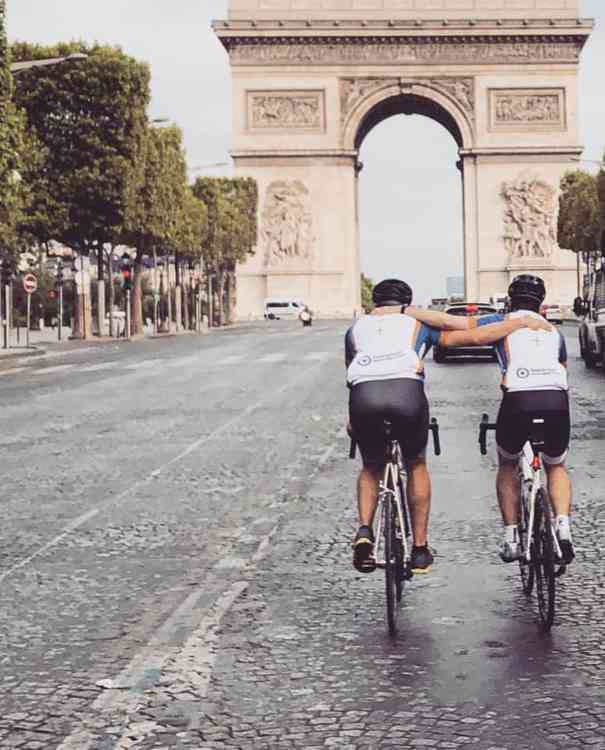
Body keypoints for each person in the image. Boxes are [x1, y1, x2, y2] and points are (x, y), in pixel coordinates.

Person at [346, 278, 551, 575]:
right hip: (406, 396)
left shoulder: (355, 329)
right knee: (416, 463)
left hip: (364, 398)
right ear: (407, 303)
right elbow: (468, 335)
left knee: (371, 466)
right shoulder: (418, 324)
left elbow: (351, 375)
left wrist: (353, 419)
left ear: (375, 302)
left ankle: (365, 531)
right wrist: (515, 324)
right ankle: (419, 548)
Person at [472, 275, 574, 564]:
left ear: (509, 299)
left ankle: (511, 537)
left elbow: (460, 333)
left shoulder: (501, 326)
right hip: (556, 401)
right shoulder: (554, 331)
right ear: (540, 302)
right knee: (556, 465)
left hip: (517, 401)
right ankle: (563, 526)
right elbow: (562, 368)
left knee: (507, 462)